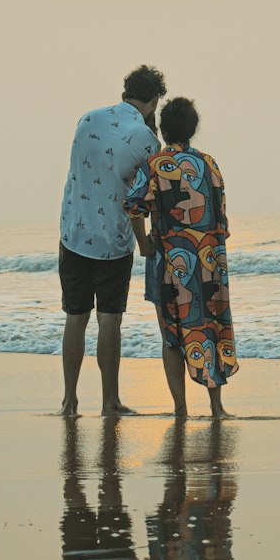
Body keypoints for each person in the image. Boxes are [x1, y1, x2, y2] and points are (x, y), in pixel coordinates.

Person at [58, 65, 166, 415]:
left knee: (75, 317)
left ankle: (70, 401)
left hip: (73, 232)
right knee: (109, 320)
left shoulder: (87, 118)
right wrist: (145, 242)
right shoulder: (146, 138)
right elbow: (139, 199)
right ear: (153, 100)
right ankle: (109, 401)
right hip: (112, 242)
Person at [125, 97, 238, 420]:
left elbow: (134, 206)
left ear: (161, 128)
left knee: (172, 337)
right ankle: (217, 408)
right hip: (209, 263)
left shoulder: (154, 165)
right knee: (209, 330)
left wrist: (144, 243)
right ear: (193, 128)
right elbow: (222, 220)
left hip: (168, 266)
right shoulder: (210, 164)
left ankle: (181, 410)